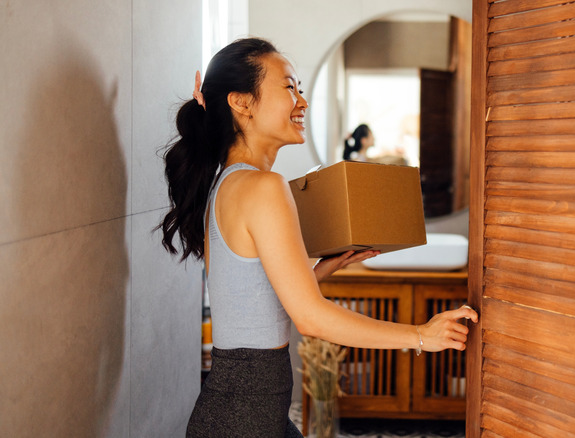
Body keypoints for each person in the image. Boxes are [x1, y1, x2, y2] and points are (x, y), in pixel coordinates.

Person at [158, 38, 478, 437]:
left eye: (301, 90)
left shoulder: (228, 184)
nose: (302, 102)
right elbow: (310, 319)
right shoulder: (263, 187)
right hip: (244, 419)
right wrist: (421, 336)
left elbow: (250, 305)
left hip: (244, 411)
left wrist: (318, 270)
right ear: (241, 102)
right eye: (290, 87)